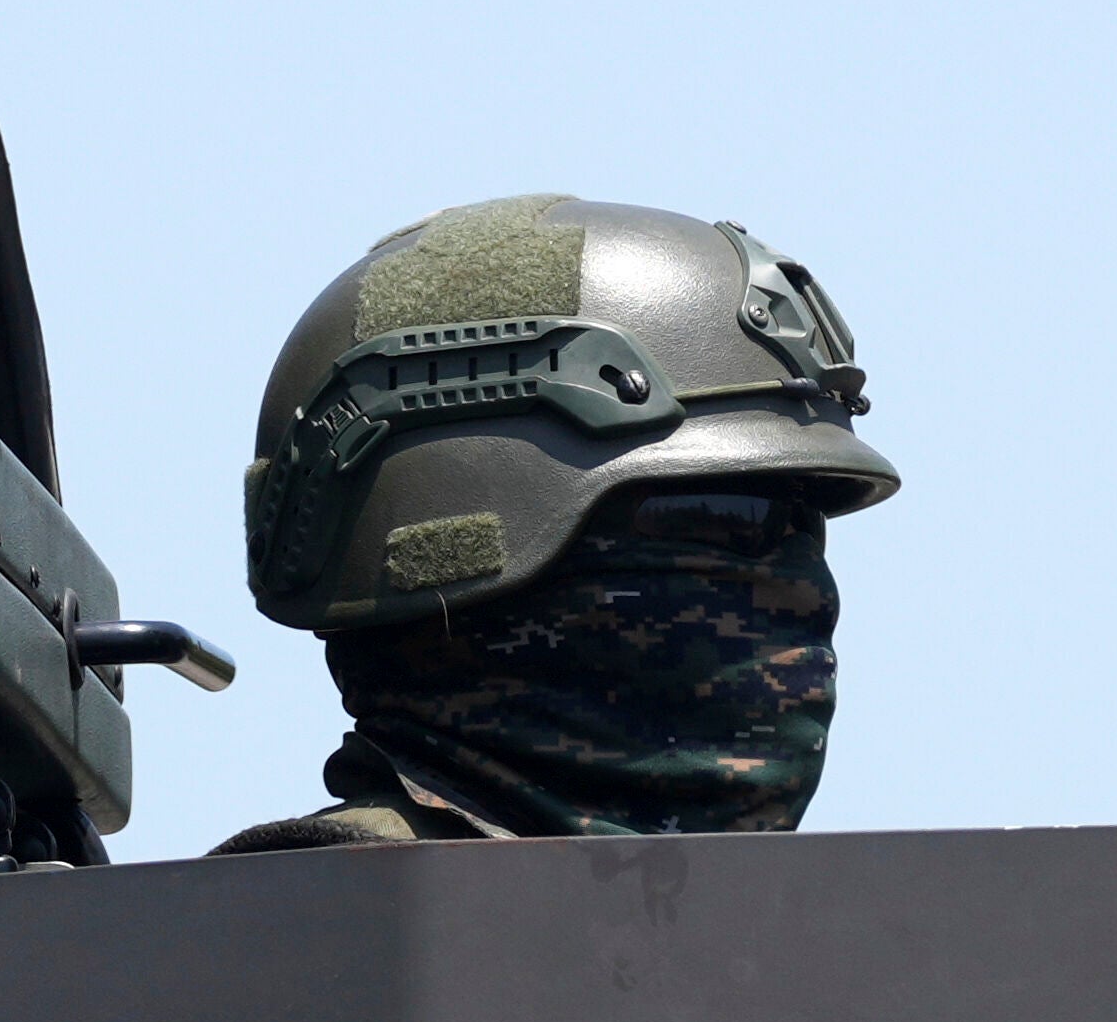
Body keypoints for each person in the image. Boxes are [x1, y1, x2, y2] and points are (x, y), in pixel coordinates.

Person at [207, 208, 890, 852]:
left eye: (806, 528)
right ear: (462, 549)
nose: (809, 592)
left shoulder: (773, 931)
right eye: (731, 518)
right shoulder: (308, 925)